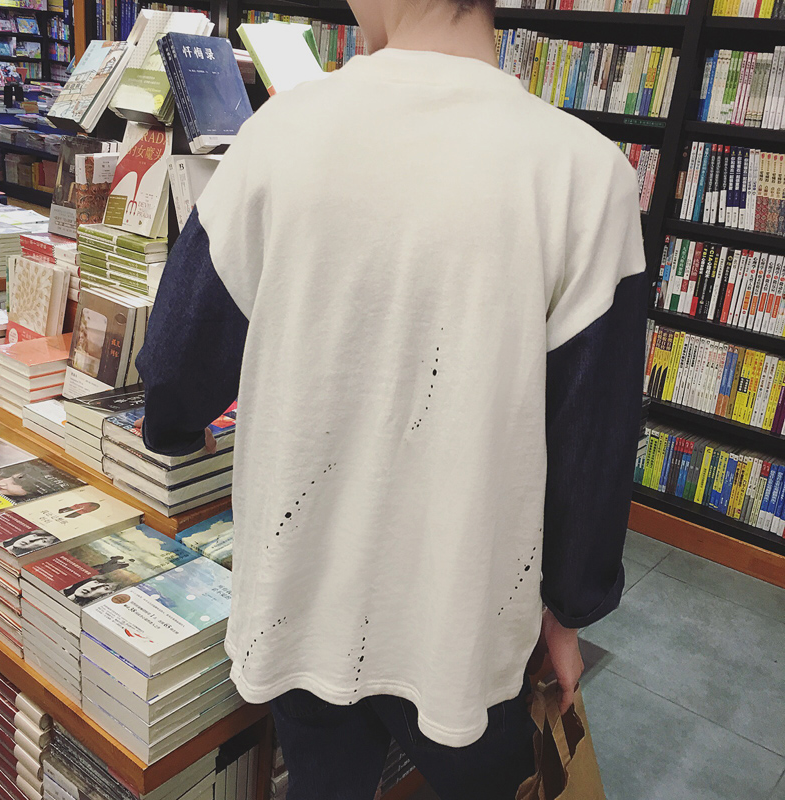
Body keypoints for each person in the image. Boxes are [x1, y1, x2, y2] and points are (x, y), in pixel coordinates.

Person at [135, 0, 647, 793]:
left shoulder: (280, 133)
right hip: (467, 622)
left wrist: (172, 428)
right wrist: (571, 609)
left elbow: (177, 360)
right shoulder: (586, 173)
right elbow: (595, 439)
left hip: (300, 596)